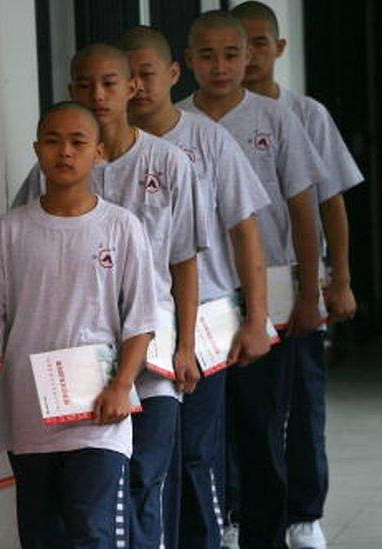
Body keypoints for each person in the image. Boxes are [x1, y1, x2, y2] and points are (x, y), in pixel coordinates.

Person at [13, 44, 206, 549]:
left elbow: (184, 261)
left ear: (133, 88)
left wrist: (186, 344)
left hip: (153, 349)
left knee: (145, 478)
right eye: (83, 85)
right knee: (82, 496)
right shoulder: (53, 166)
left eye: (109, 83)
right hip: (76, 358)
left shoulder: (168, 163)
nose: (96, 95)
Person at [0, 101, 157, 548]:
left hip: (98, 409)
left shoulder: (122, 228)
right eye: (52, 141)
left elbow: (141, 318)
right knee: (42, 533)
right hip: (29, 410)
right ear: (36, 149)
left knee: (91, 528)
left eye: (77, 142)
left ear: (99, 153)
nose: (64, 152)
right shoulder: (11, 230)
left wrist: (122, 384)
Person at [118, 25, 275, 549]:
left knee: (197, 450)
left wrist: (256, 317)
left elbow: (245, 230)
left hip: (202, 319)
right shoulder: (102, 145)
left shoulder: (206, 139)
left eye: (146, 74)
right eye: (128, 77)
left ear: (171, 74)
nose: (137, 87)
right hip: (126, 325)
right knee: (144, 457)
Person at [179, 11, 327, 549]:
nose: (220, 66)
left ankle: (270, 530)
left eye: (231, 54)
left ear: (249, 58)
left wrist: (312, 293)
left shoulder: (276, 118)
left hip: (269, 292)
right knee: (202, 429)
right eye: (207, 55)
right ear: (187, 61)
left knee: (264, 422)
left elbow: (304, 210)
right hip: (202, 296)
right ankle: (222, 523)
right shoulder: (175, 124)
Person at [231, 3, 365, 546]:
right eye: (243, 44)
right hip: (225, 288)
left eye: (262, 43)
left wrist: (338, 280)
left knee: (301, 403)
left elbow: (329, 203)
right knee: (239, 408)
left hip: (290, 282)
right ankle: (237, 514)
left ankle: (304, 514)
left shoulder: (304, 114)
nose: (252, 55)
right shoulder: (198, 117)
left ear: (279, 48)